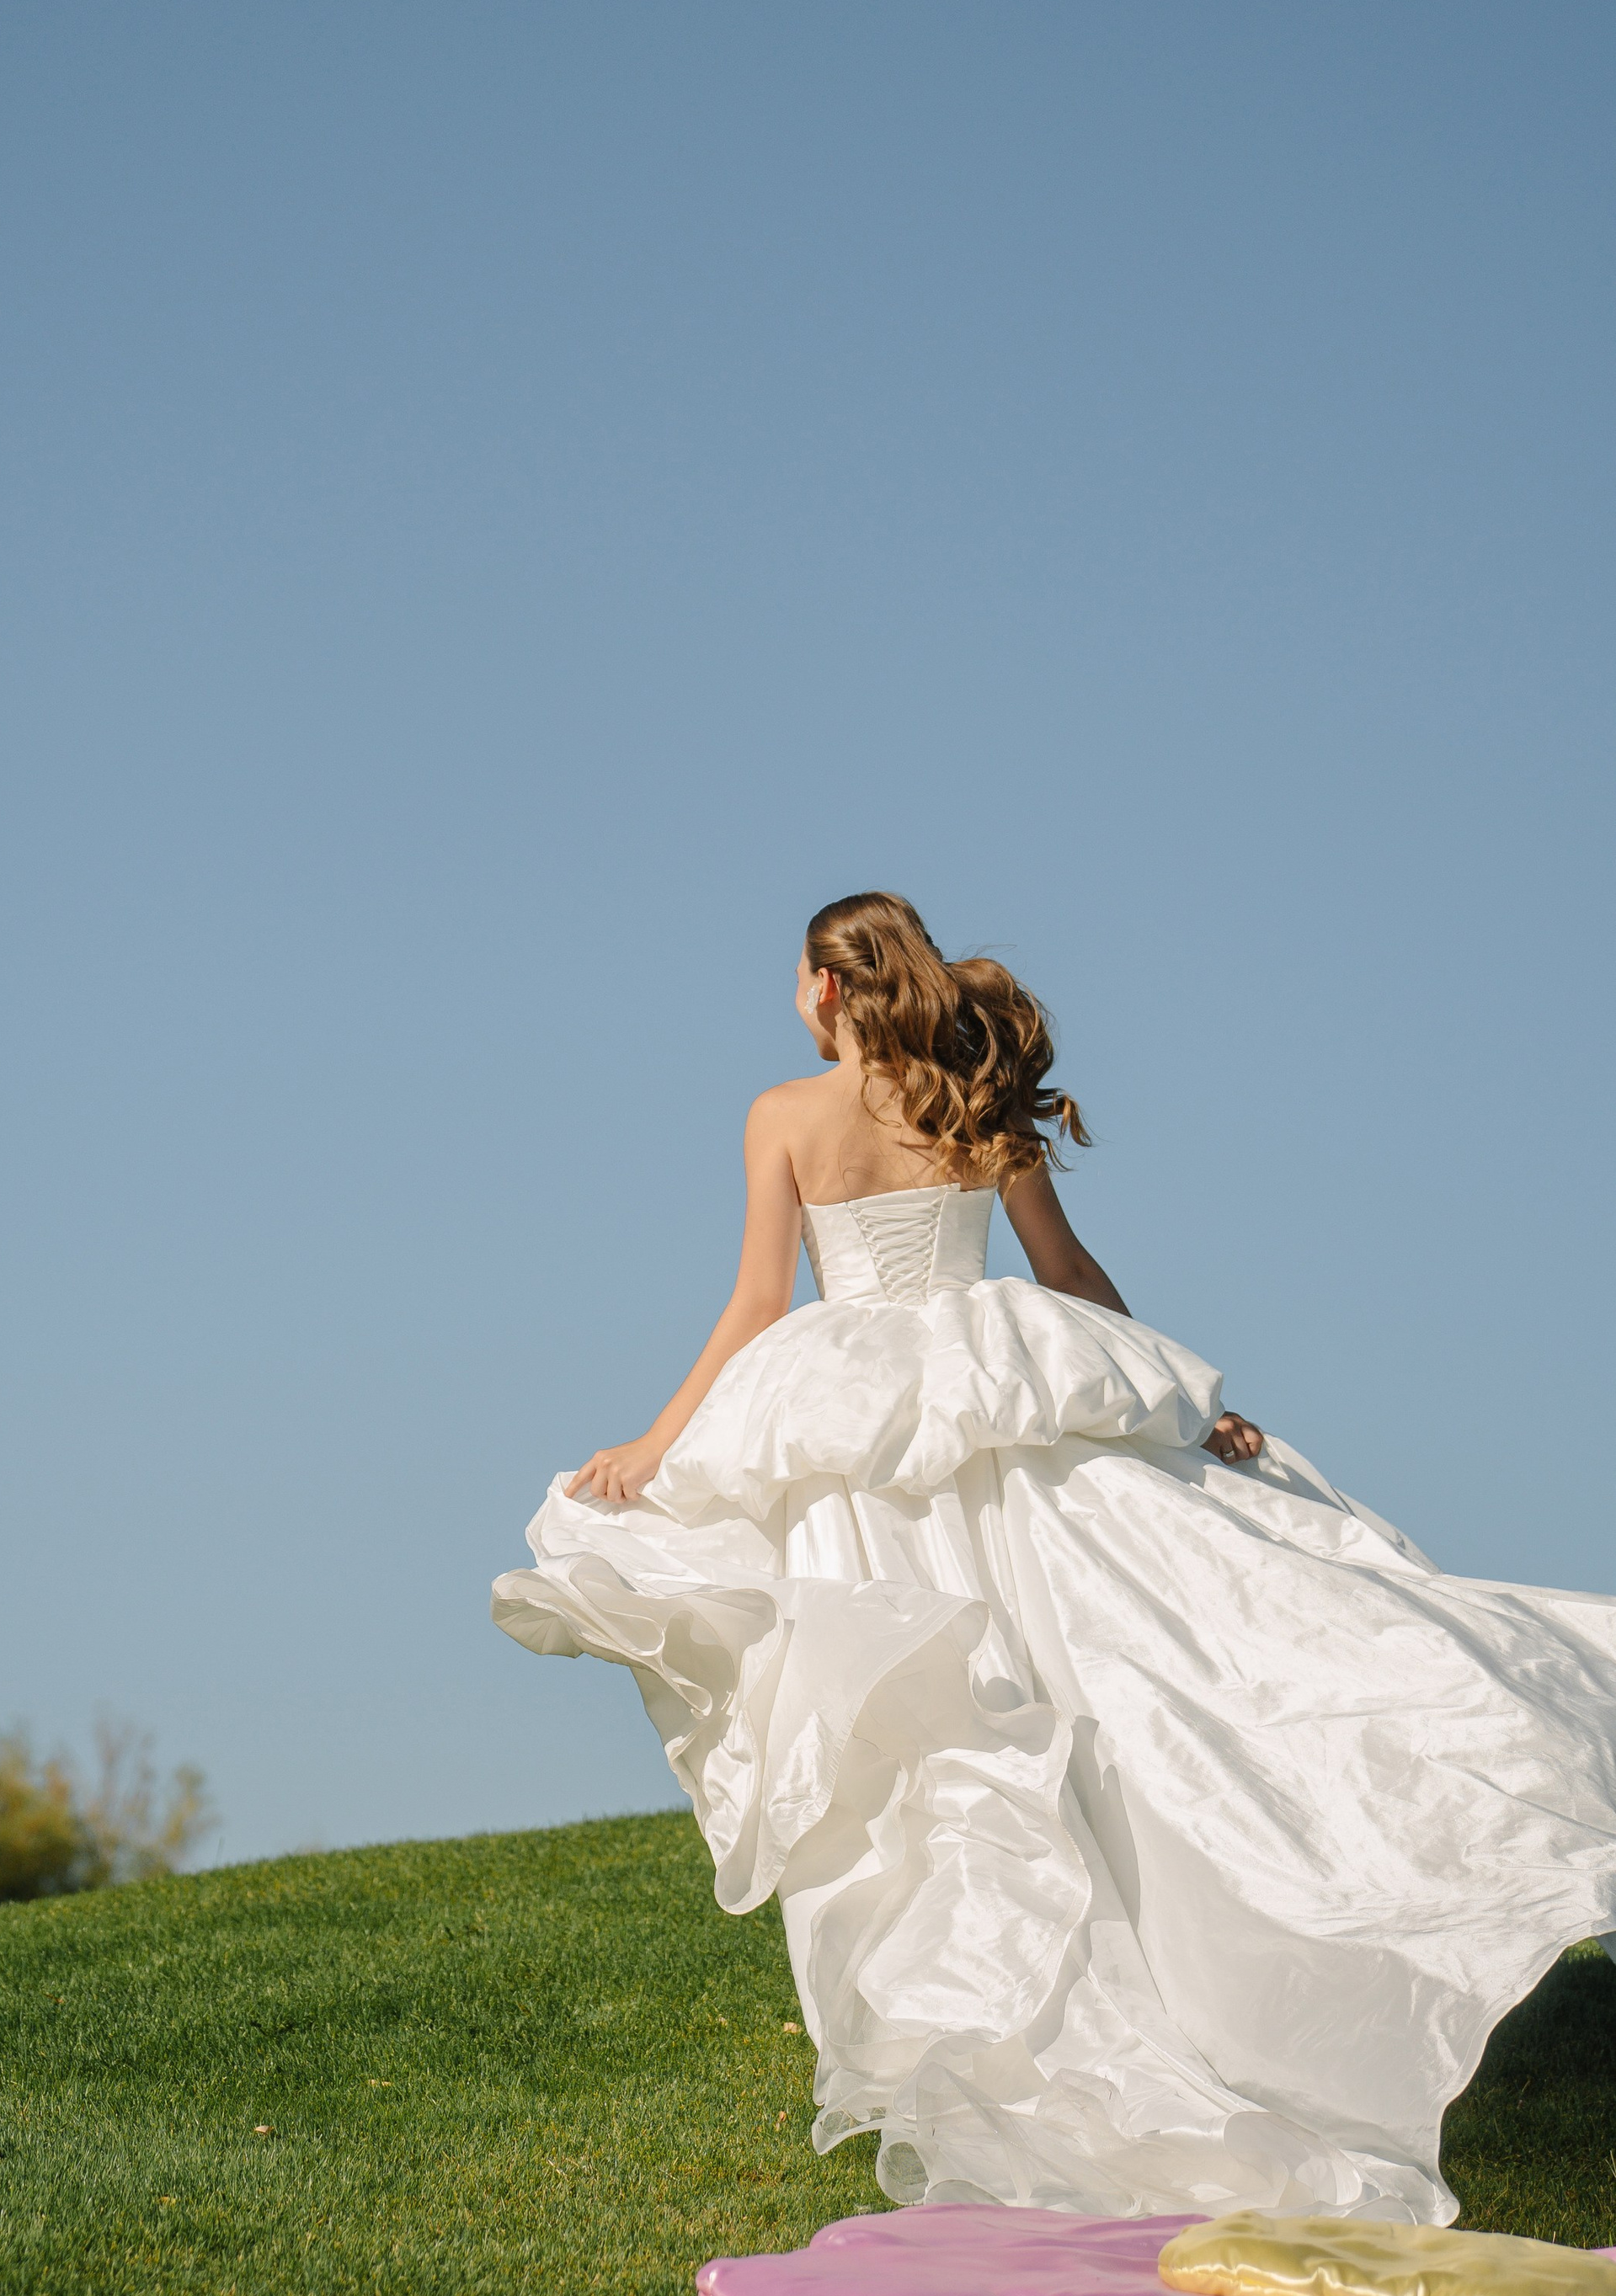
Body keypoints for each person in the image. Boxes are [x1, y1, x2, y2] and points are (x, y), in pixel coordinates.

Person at [493, 891, 1616, 2225]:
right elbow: (1067, 1270)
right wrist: (1188, 1410)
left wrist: (654, 1446)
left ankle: (1015, 2001)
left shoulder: (782, 1117)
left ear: (823, 989)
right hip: (1002, 1389)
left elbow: (755, 1306)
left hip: (866, 1433)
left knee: (941, 1717)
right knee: (1102, 1660)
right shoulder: (979, 1094)